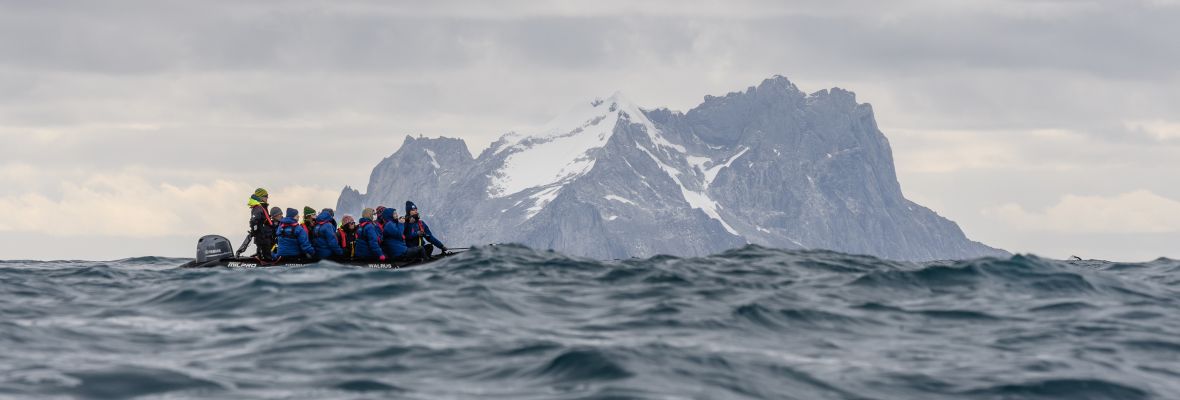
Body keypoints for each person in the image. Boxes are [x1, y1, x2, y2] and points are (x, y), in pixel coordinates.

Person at [247, 188, 275, 260]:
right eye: (266, 196)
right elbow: (254, 221)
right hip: (262, 238)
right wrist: (256, 231)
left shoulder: (261, 207)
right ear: (261, 197)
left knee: (266, 256)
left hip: (265, 237)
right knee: (265, 259)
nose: (267, 198)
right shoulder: (258, 208)